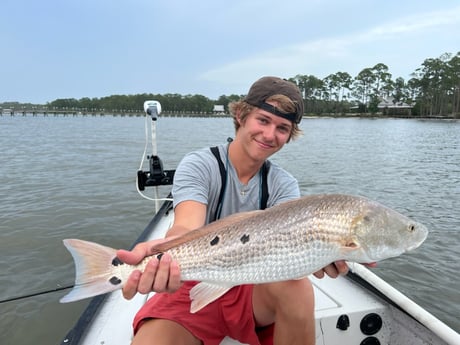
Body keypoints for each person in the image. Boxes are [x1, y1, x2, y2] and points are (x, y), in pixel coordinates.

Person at [117, 76, 350, 345]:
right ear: (241, 115)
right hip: (194, 279)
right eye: (263, 120)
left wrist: (323, 254)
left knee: (298, 287)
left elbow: (294, 244)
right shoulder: (199, 165)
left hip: (256, 285)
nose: (270, 135)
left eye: (282, 128)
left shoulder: (284, 185)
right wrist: (165, 251)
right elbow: (186, 226)